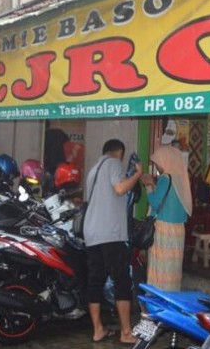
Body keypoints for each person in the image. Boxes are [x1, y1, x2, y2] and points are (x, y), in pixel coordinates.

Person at [83, 139, 143, 344]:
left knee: (95, 281)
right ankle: (126, 333)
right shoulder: (113, 163)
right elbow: (119, 189)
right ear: (119, 153)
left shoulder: (93, 169)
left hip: (91, 233)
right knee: (122, 281)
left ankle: (98, 329)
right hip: (110, 233)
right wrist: (137, 174)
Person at [141, 145, 193, 291]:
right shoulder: (181, 179)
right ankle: (172, 295)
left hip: (164, 229)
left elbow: (156, 202)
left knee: (161, 268)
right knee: (173, 268)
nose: (156, 165)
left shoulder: (166, 178)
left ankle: (158, 298)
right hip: (178, 230)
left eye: (158, 161)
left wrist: (148, 185)